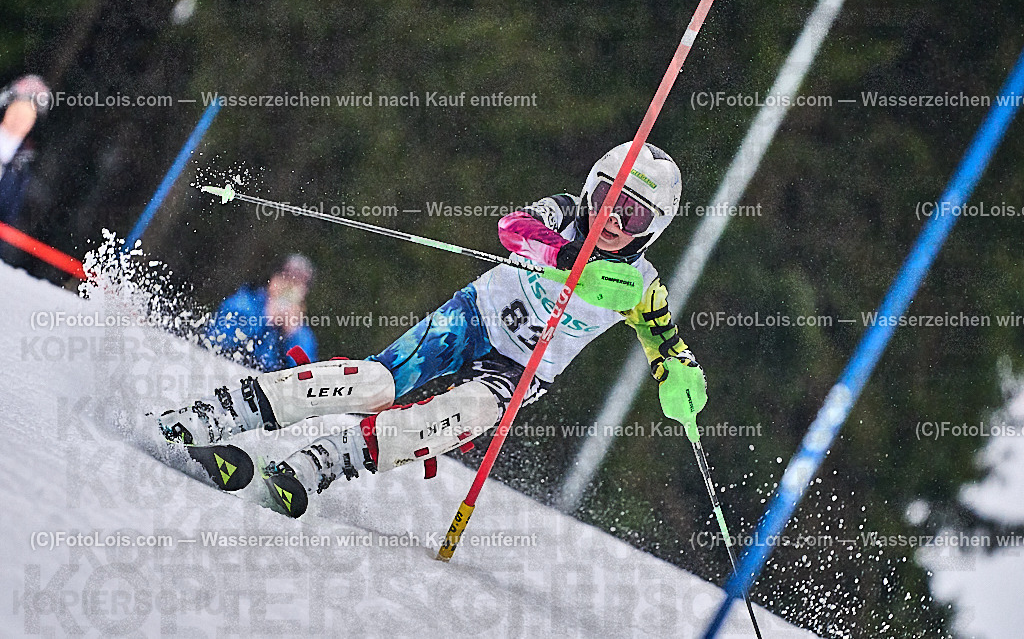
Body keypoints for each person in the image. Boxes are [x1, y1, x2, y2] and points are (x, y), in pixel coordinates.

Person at [157, 143, 708, 516]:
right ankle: (217, 415)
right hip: (473, 317)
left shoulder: (642, 285)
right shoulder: (564, 215)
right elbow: (514, 229)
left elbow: (665, 344)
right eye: (609, 199)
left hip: (518, 372)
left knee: (449, 420)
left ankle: (319, 462)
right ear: (592, 190)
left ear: (651, 229)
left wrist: (679, 376)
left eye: (631, 216)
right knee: (374, 385)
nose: (611, 219)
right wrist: (567, 257)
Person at [207, 253, 318, 371]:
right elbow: (216, 340)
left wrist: (291, 335)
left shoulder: (302, 333)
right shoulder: (243, 303)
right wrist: (265, 318)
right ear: (273, 279)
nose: (289, 288)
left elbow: (305, 375)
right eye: (286, 278)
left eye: (298, 284)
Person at [0, 75, 49, 228]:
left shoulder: (26, 165)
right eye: (18, 109)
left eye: (29, 115)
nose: (20, 119)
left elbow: (10, 213)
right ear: (8, 107)